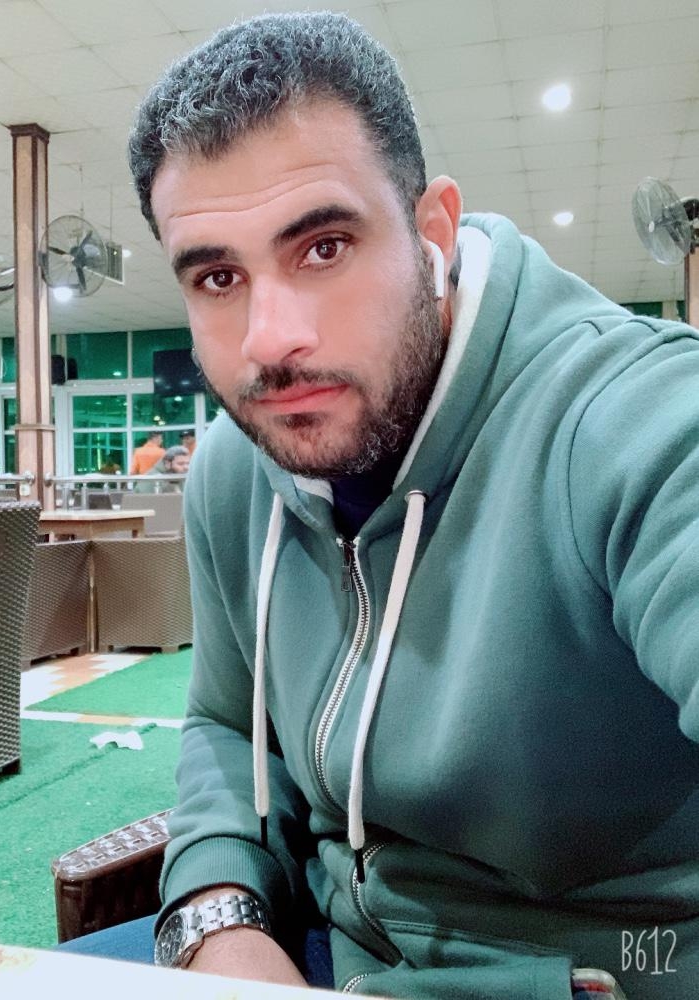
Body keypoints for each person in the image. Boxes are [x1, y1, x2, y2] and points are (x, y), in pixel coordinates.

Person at [63, 12, 699, 999]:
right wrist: (220, 924)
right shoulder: (235, 466)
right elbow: (226, 725)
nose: (270, 340)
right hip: (324, 951)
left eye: (323, 247)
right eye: (219, 276)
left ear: (432, 232)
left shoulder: (637, 423)